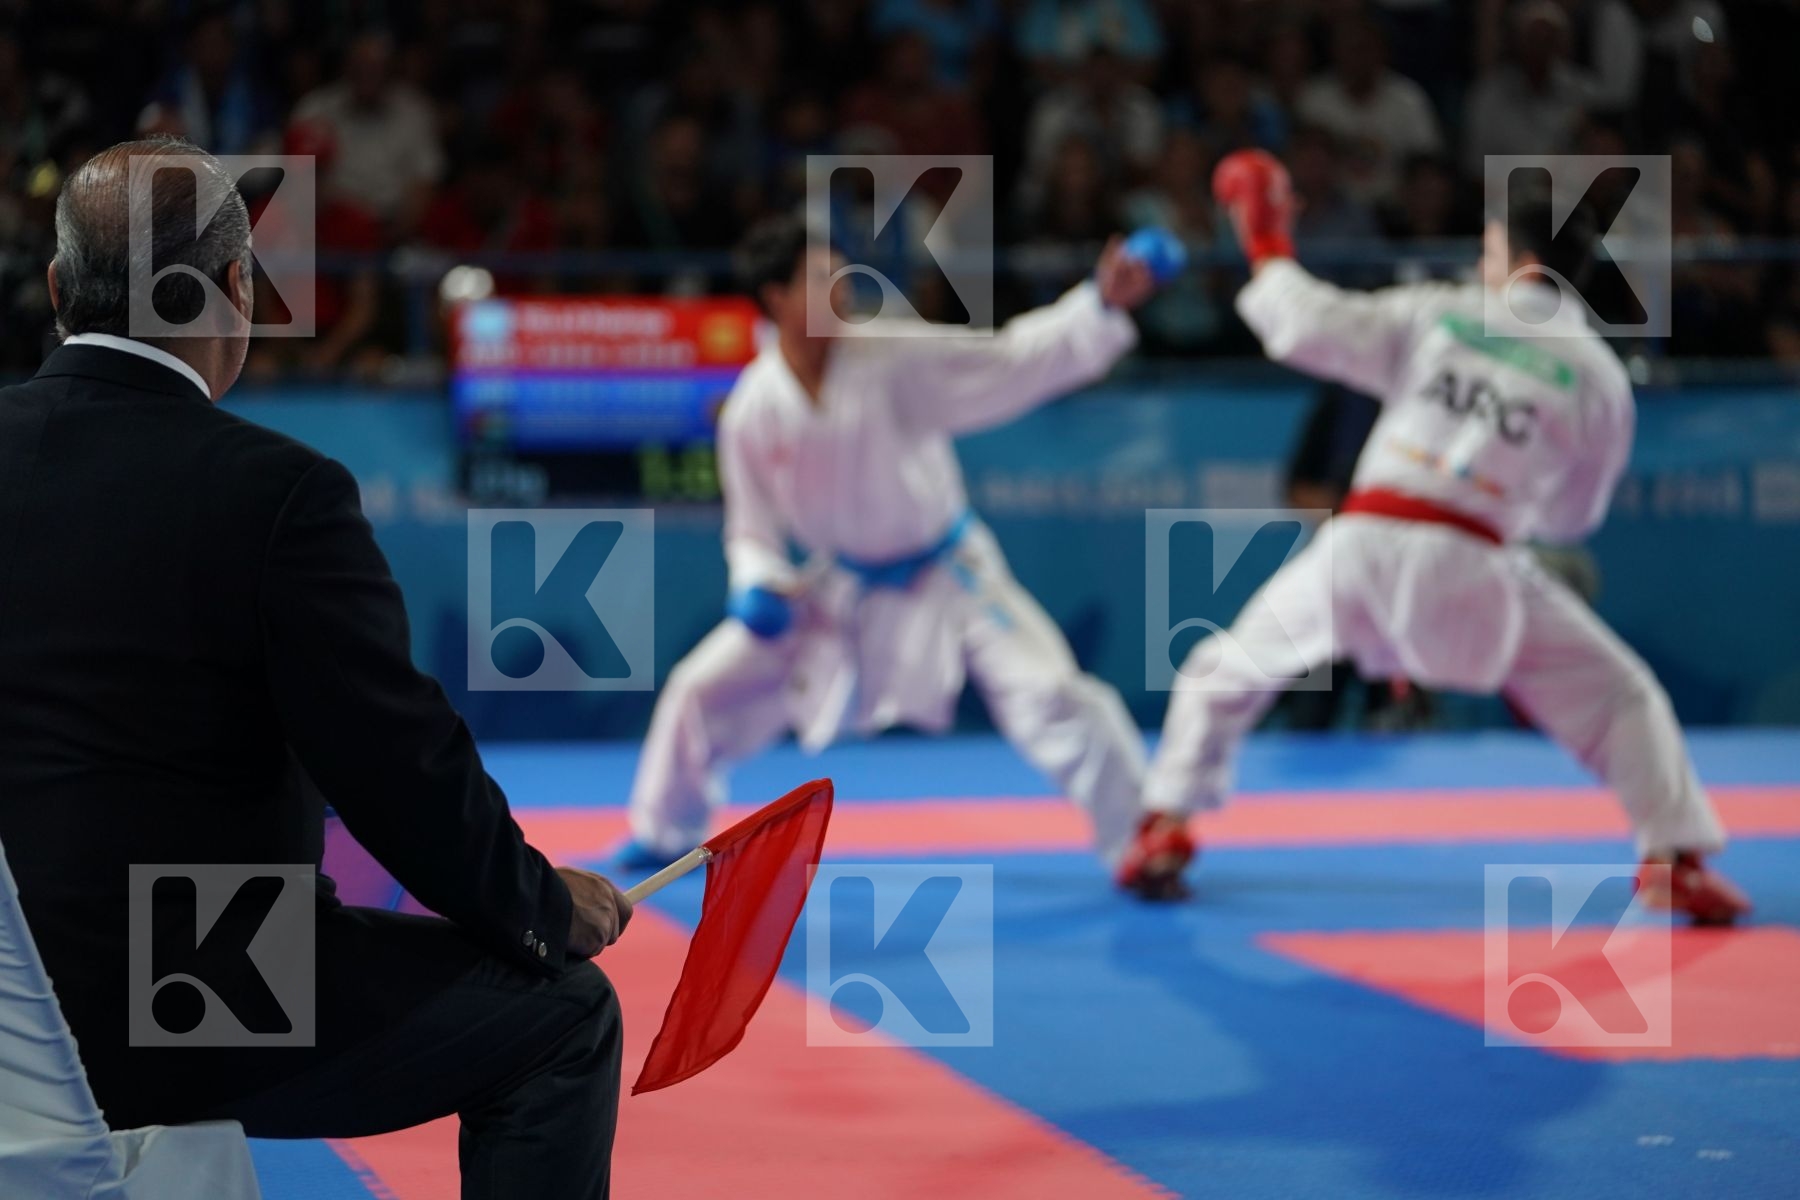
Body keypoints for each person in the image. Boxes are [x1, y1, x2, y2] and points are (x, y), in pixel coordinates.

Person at [0, 137, 633, 1198]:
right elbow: (398, 769)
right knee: (562, 1021)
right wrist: (538, 906)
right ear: (237, 286)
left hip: (9, 1005)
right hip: (178, 1002)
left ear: (61, 289)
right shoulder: (276, 492)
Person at [1135, 148, 1752, 924]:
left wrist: (1264, 238)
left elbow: (1307, 323)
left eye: (1489, 250)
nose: (1480, 264)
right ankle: (1675, 856)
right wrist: (1510, 499)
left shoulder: (1442, 312)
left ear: (1520, 261)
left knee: (1222, 671)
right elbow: (1573, 519)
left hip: (1365, 546)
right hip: (1478, 567)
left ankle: (1165, 823)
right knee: (1623, 696)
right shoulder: (1599, 377)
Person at [622, 215, 1186, 896]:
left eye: (841, 272)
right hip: (839, 587)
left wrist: (1098, 304)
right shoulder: (752, 409)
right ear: (776, 296)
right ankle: (664, 827)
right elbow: (751, 530)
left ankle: (1139, 837)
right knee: (700, 686)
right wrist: (757, 581)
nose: (842, 288)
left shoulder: (890, 355)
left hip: (947, 571)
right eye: (821, 277)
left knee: (1052, 692)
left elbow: (1008, 359)